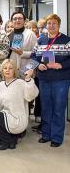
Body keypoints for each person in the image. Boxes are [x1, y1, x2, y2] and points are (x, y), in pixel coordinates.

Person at [31, 14, 70, 147]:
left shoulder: (66, 40)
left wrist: (61, 65)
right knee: (46, 107)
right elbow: (33, 56)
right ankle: (46, 134)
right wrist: (37, 65)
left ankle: (57, 138)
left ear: (58, 25)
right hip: (44, 79)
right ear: (46, 25)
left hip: (61, 79)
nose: (51, 26)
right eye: (49, 23)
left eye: (54, 23)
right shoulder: (41, 40)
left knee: (58, 108)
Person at [0, 59, 38, 150]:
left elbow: (30, 96)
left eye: (10, 68)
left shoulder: (20, 83)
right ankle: (14, 137)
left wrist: (28, 79)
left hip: (18, 119)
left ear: (15, 71)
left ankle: (6, 140)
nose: (7, 70)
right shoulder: (1, 84)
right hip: (6, 116)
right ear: (2, 70)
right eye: (5, 68)